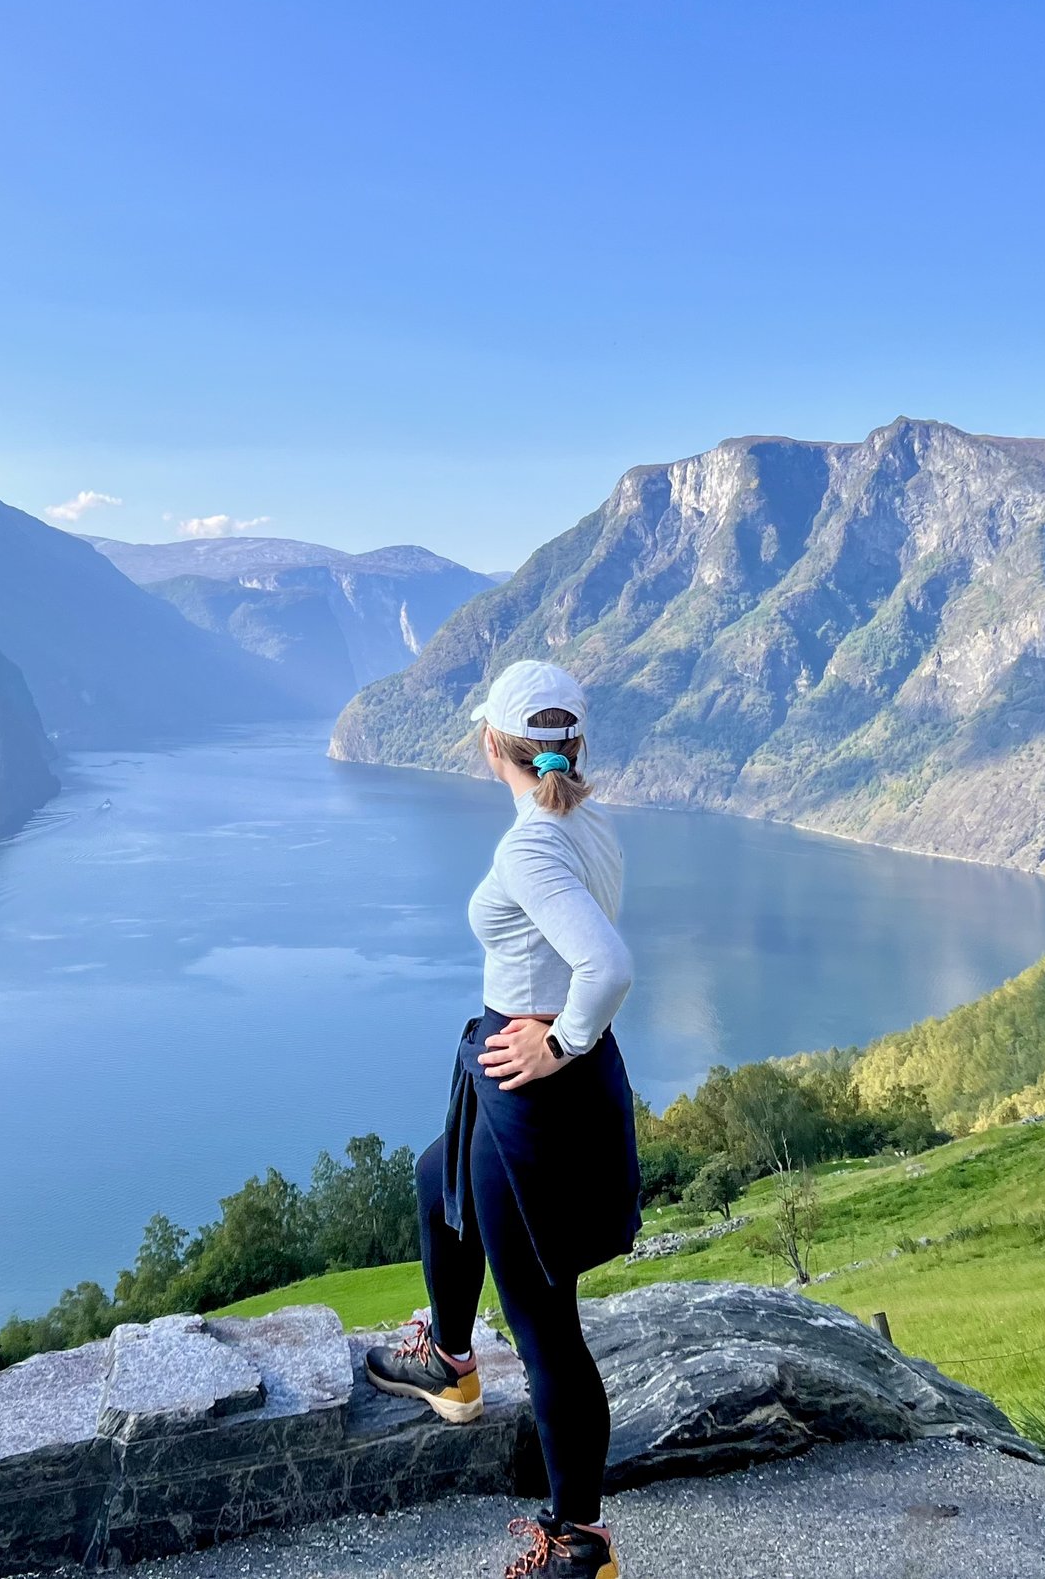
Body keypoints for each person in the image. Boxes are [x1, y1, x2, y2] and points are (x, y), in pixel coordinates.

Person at [363, 659, 640, 1579]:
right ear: (573, 745)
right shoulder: (583, 822)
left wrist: (553, 1045)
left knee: (544, 1321)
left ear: (493, 745)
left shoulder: (532, 845)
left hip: (530, 1084)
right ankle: (448, 1356)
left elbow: (604, 967)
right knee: (434, 1174)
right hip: (526, 1074)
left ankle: (578, 1544)